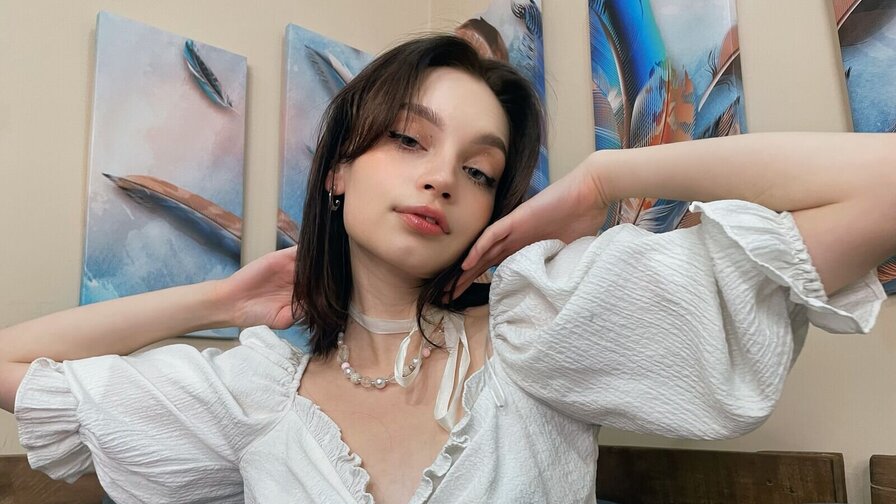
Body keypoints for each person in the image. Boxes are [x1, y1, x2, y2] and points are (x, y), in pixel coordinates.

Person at [0, 34, 892, 504]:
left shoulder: (543, 334)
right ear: (338, 170)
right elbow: (10, 364)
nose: (442, 178)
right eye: (408, 140)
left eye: (480, 170)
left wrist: (605, 178)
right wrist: (222, 297)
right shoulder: (259, 392)